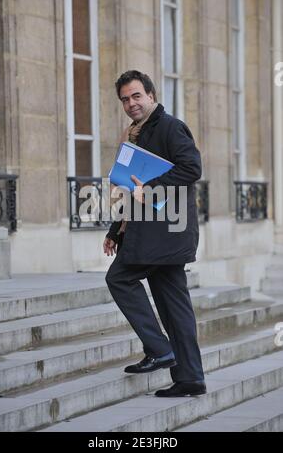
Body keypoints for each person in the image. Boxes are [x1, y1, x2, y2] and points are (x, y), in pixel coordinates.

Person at [103, 70, 206, 397]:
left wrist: (151, 189)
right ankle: (190, 378)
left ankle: (159, 348)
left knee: (119, 278)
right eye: (124, 99)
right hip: (153, 233)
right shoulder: (134, 134)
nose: (131, 103)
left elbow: (191, 168)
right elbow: (130, 186)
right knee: (175, 307)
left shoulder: (170, 127)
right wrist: (115, 230)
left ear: (150, 95)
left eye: (136, 96)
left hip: (164, 233)